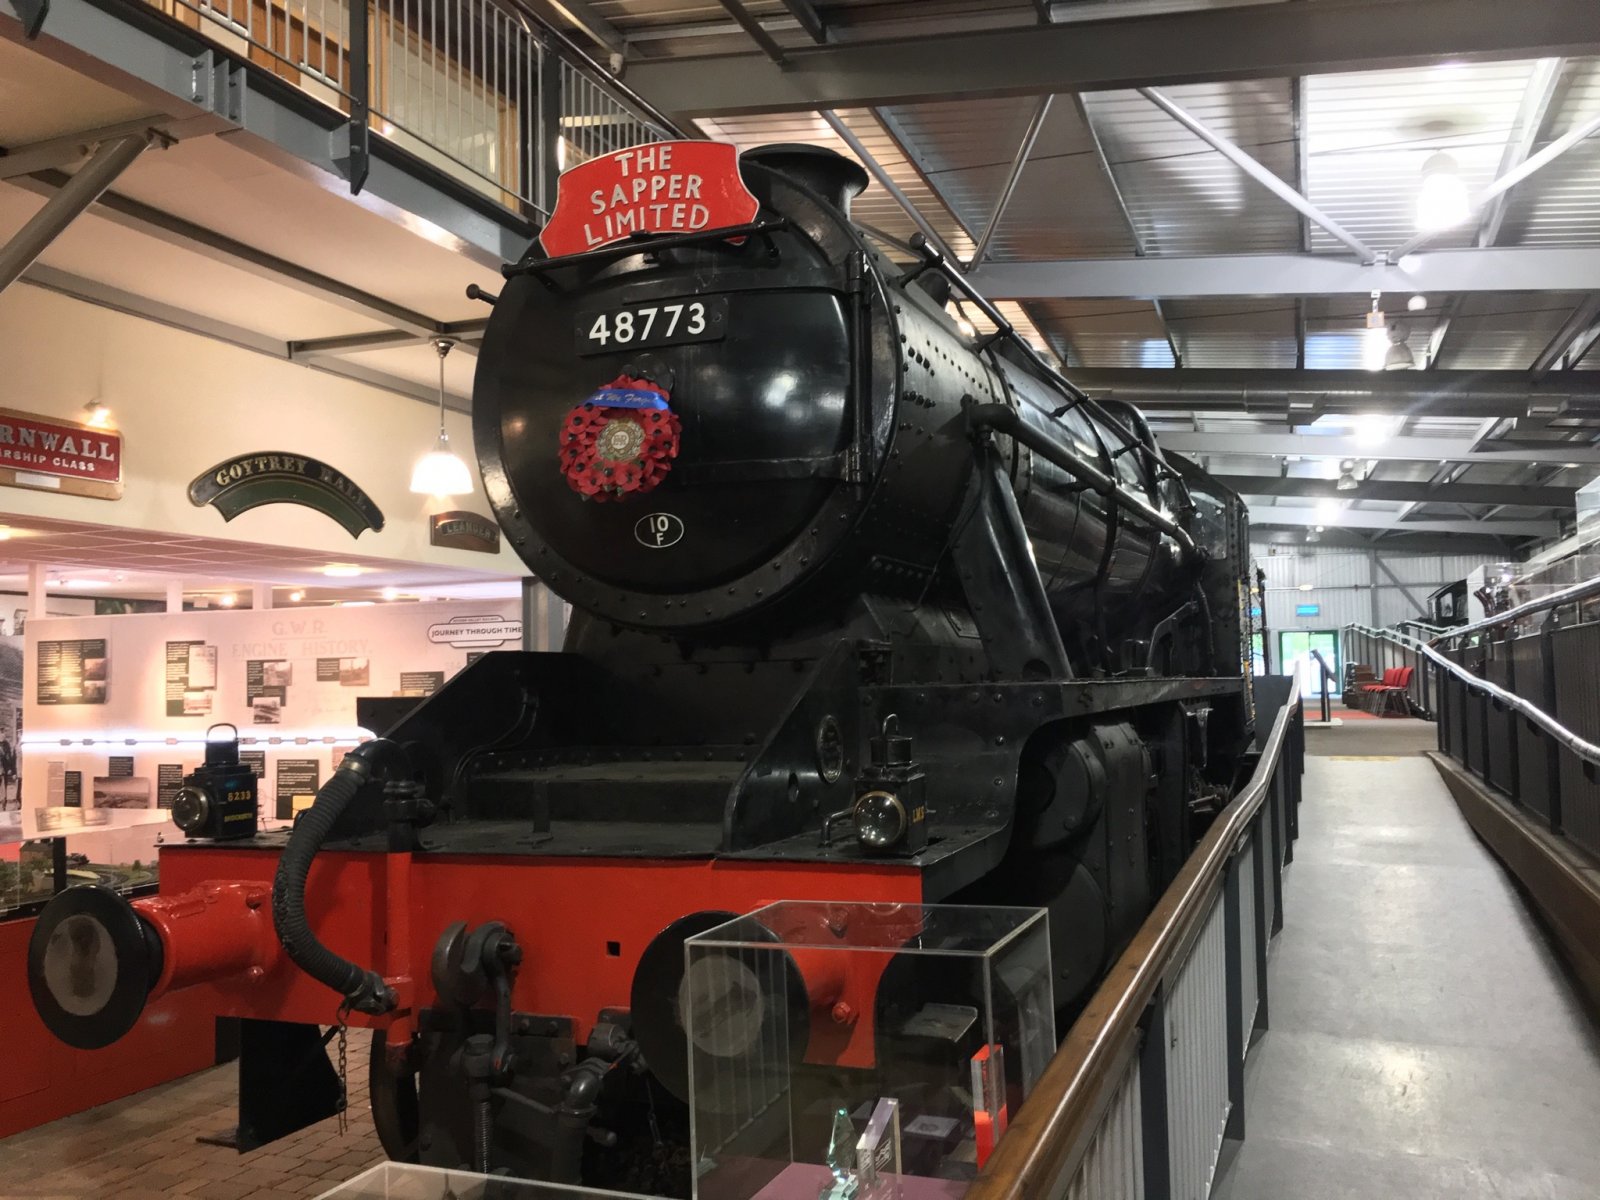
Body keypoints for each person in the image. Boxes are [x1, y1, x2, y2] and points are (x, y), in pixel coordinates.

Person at [0, 736, 17, 809]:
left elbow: (8, 757)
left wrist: (10, 768)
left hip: (4, 769)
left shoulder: (6, 744)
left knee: (4, 786)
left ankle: (4, 802)